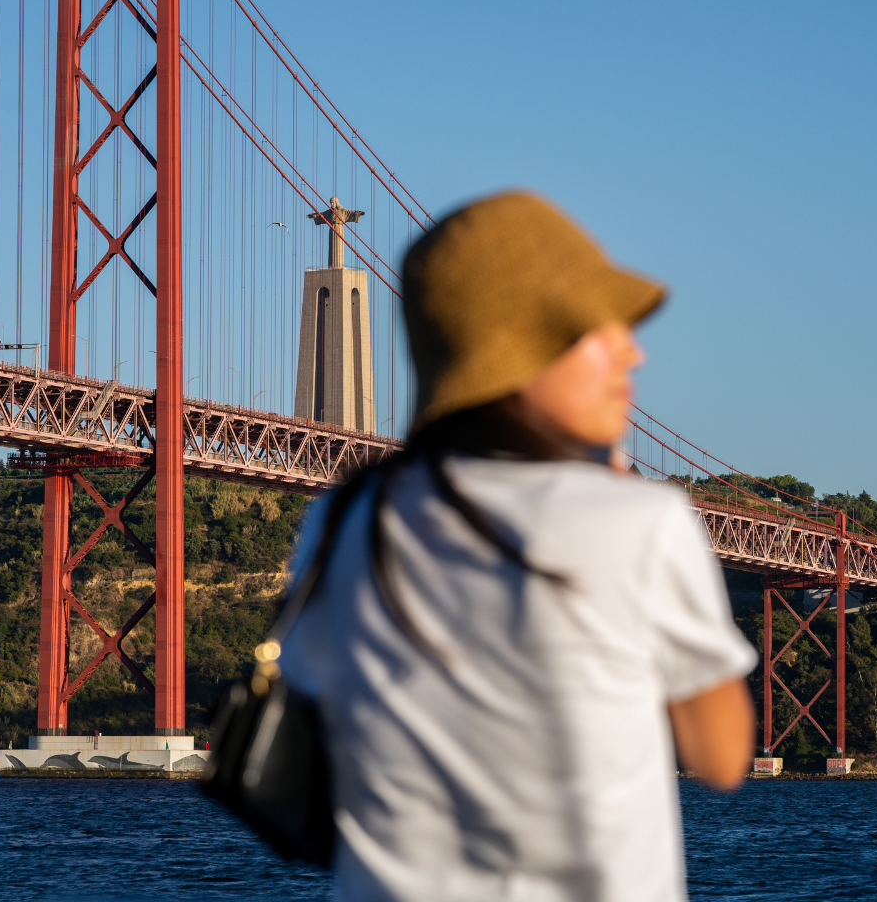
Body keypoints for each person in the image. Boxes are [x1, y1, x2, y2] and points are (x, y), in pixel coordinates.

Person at [277, 191, 757, 901]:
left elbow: (321, 720)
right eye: (597, 329)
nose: (634, 349)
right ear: (522, 352)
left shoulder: (344, 518)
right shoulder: (644, 522)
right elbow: (721, 757)